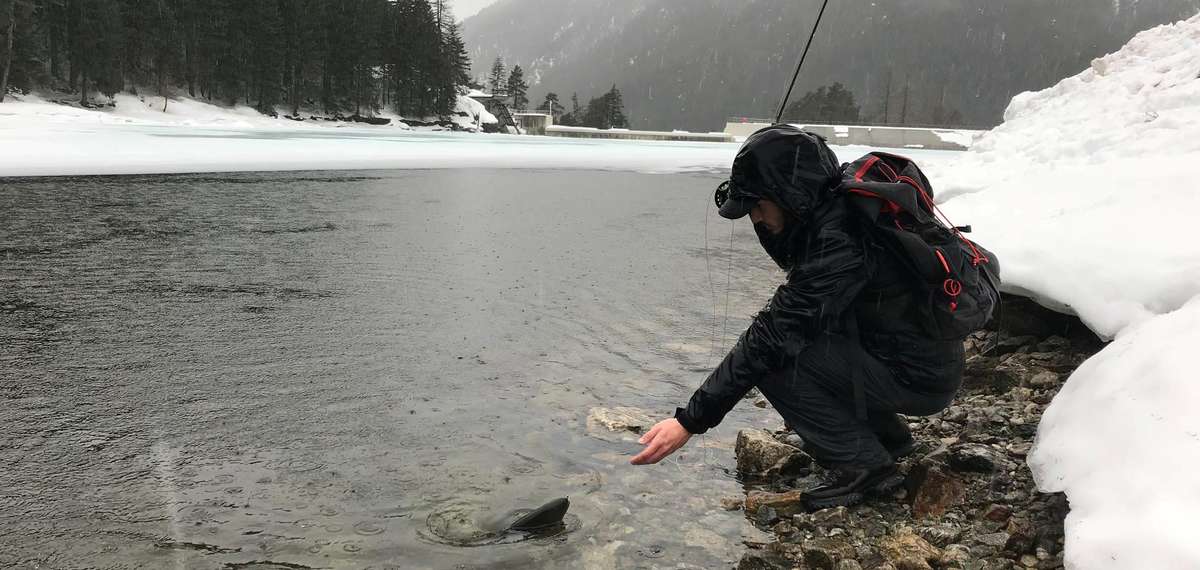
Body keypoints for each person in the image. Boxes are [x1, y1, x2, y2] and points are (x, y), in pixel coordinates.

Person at [630, 125, 966, 512]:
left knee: (773, 360)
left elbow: (770, 336)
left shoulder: (839, 241)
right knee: (803, 337)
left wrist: (689, 421)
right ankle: (888, 438)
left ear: (788, 195)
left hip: (919, 377)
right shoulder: (840, 212)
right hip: (915, 359)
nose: (755, 219)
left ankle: (864, 465)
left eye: (758, 206)